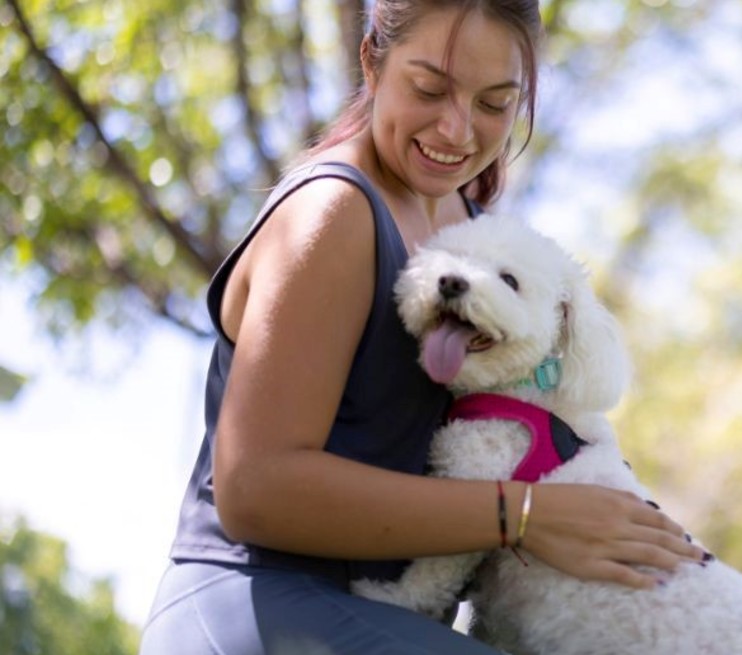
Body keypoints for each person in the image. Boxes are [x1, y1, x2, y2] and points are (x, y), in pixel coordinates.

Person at [138, 1, 707, 652]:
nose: (457, 129)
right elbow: (254, 488)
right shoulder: (333, 213)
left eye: (494, 103)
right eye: (430, 89)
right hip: (260, 607)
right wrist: (523, 515)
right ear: (371, 61)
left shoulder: (471, 232)